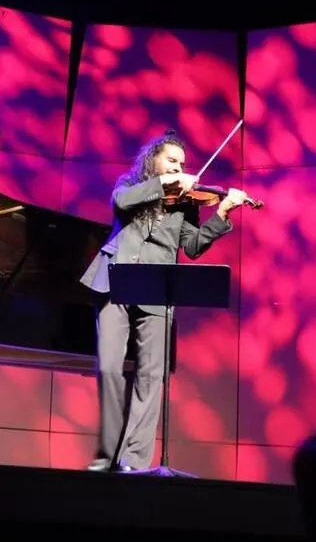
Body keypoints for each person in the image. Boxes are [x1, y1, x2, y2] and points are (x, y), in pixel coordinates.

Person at [79, 129, 250, 472]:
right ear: (153, 159)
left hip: (157, 289)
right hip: (115, 279)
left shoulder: (186, 203)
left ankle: (133, 462)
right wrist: (165, 184)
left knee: (150, 376)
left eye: (182, 164)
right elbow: (123, 203)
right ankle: (107, 455)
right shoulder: (130, 184)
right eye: (172, 161)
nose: (178, 168)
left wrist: (222, 213)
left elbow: (193, 246)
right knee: (110, 368)